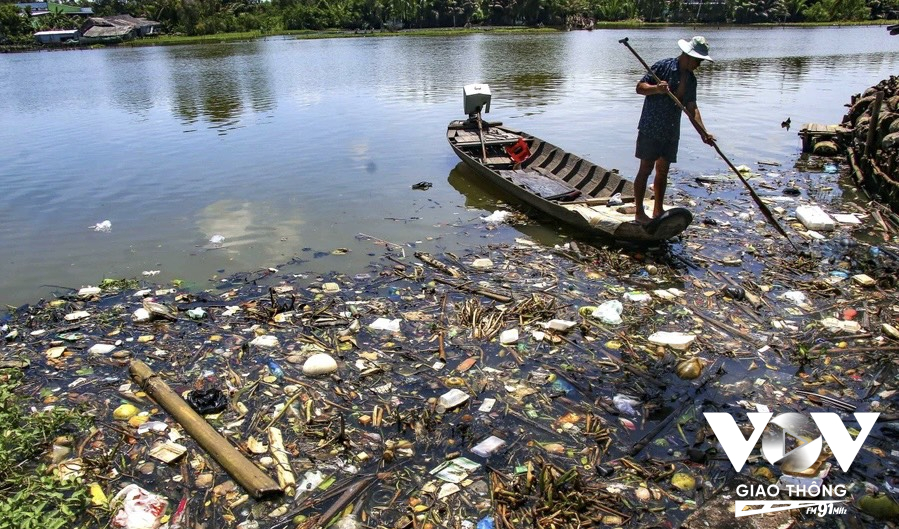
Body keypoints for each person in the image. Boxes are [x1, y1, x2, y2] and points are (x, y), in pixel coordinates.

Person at [633, 36, 716, 225]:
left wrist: (703, 132)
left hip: (671, 130)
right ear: (687, 56)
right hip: (651, 127)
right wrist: (657, 88)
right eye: (697, 61)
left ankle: (658, 210)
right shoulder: (663, 67)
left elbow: (692, 107)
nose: (699, 65)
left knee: (663, 170)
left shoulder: (692, 80)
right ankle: (639, 212)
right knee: (645, 169)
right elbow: (640, 88)